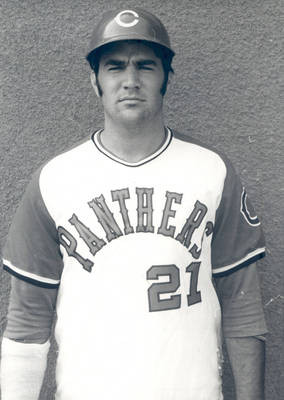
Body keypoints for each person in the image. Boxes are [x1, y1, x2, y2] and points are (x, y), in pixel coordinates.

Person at [1, 8, 267, 400]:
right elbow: (27, 319)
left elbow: (243, 309)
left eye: (145, 66)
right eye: (114, 67)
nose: (130, 81)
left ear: (166, 78)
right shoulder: (55, 179)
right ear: (94, 81)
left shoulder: (212, 171)